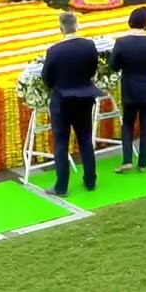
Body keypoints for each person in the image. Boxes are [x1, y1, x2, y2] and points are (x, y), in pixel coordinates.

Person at [40, 12, 99, 196]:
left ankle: (61, 186)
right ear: (77, 25)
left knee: (61, 142)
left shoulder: (54, 51)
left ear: (61, 28)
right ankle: (90, 180)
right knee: (85, 139)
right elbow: (92, 70)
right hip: (84, 98)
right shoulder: (89, 46)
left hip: (62, 100)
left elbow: (47, 78)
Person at [109, 7, 146, 173]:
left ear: (130, 22)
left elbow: (114, 66)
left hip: (130, 89)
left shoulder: (121, 42)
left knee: (128, 124)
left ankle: (127, 160)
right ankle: (143, 163)